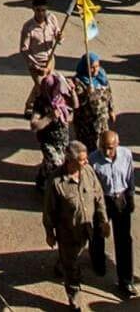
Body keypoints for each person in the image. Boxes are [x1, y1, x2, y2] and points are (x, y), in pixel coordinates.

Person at [44, 141, 109, 310]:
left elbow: (99, 196)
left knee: (73, 257)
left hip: (87, 229)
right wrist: (49, 232)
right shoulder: (56, 182)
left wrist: (103, 220)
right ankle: (75, 298)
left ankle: (62, 263)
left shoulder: (88, 172)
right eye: (82, 160)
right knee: (72, 268)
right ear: (70, 160)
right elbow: (48, 210)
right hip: (68, 232)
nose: (86, 162)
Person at [91, 129, 136, 300]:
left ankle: (126, 280)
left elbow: (130, 176)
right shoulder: (93, 159)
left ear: (117, 144)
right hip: (103, 200)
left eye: (110, 147)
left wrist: (130, 197)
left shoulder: (126, 155)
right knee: (98, 233)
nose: (106, 151)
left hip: (120, 198)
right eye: (103, 147)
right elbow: (93, 186)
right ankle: (98, 261)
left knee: (124, 239)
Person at [20, 0, 63, 114]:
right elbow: (24, 49)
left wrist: (59, 37)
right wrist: (35, 65)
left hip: (49, 59)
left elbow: (58, 35)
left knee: (48, 84)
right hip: (36, 62)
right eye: (38, 10)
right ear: (33, 9)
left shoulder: (52, 19)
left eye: (43, 10)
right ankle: (31, 106)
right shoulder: (28, 27)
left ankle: (37, 105)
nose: (41, 13)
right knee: (40, 86)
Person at [74, 51, 117, 154]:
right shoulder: (78, 82)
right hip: (86, 122)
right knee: (89, 147)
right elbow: (77, 103)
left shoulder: (101, 76)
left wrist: (111, 109)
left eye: (97, 66)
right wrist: (87, 93)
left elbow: (108, 92)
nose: (95, 70)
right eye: (91, 67)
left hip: (102, 119)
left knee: (103, 143)